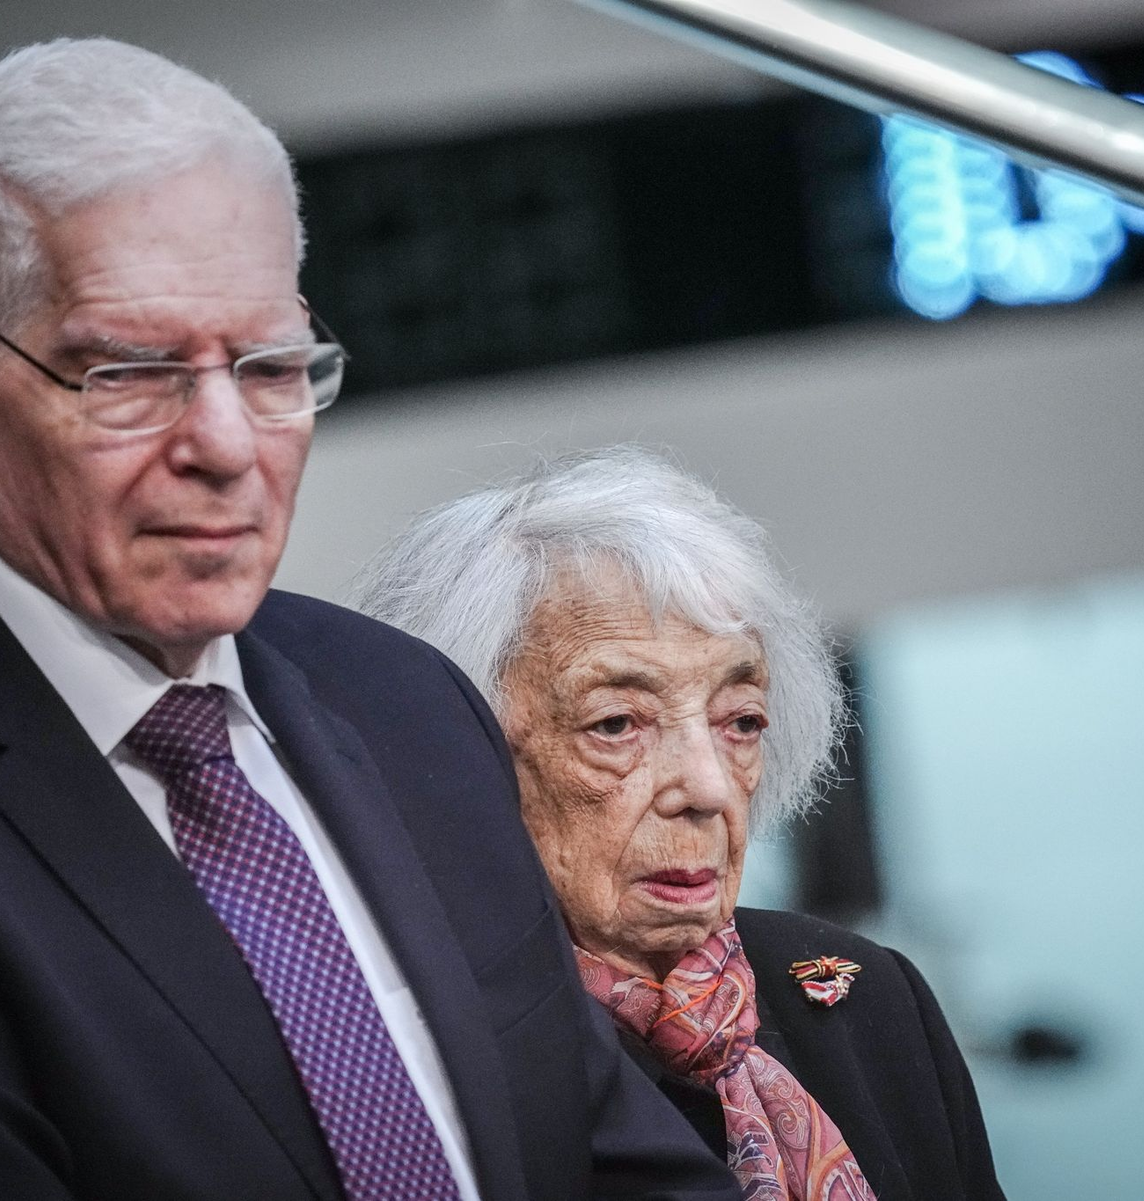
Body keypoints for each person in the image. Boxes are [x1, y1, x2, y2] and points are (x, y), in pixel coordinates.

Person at [0, 39, 744, 1201]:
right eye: (131, 372)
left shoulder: (407, 705)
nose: (226, 446)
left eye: (269, 367)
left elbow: (608, 1162)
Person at [354, 447, 1008, 1201]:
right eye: (617, 723)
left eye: (741, 720)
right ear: (457, 754)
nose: (705, 786)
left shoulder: (870, 998)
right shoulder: (411, 1061)